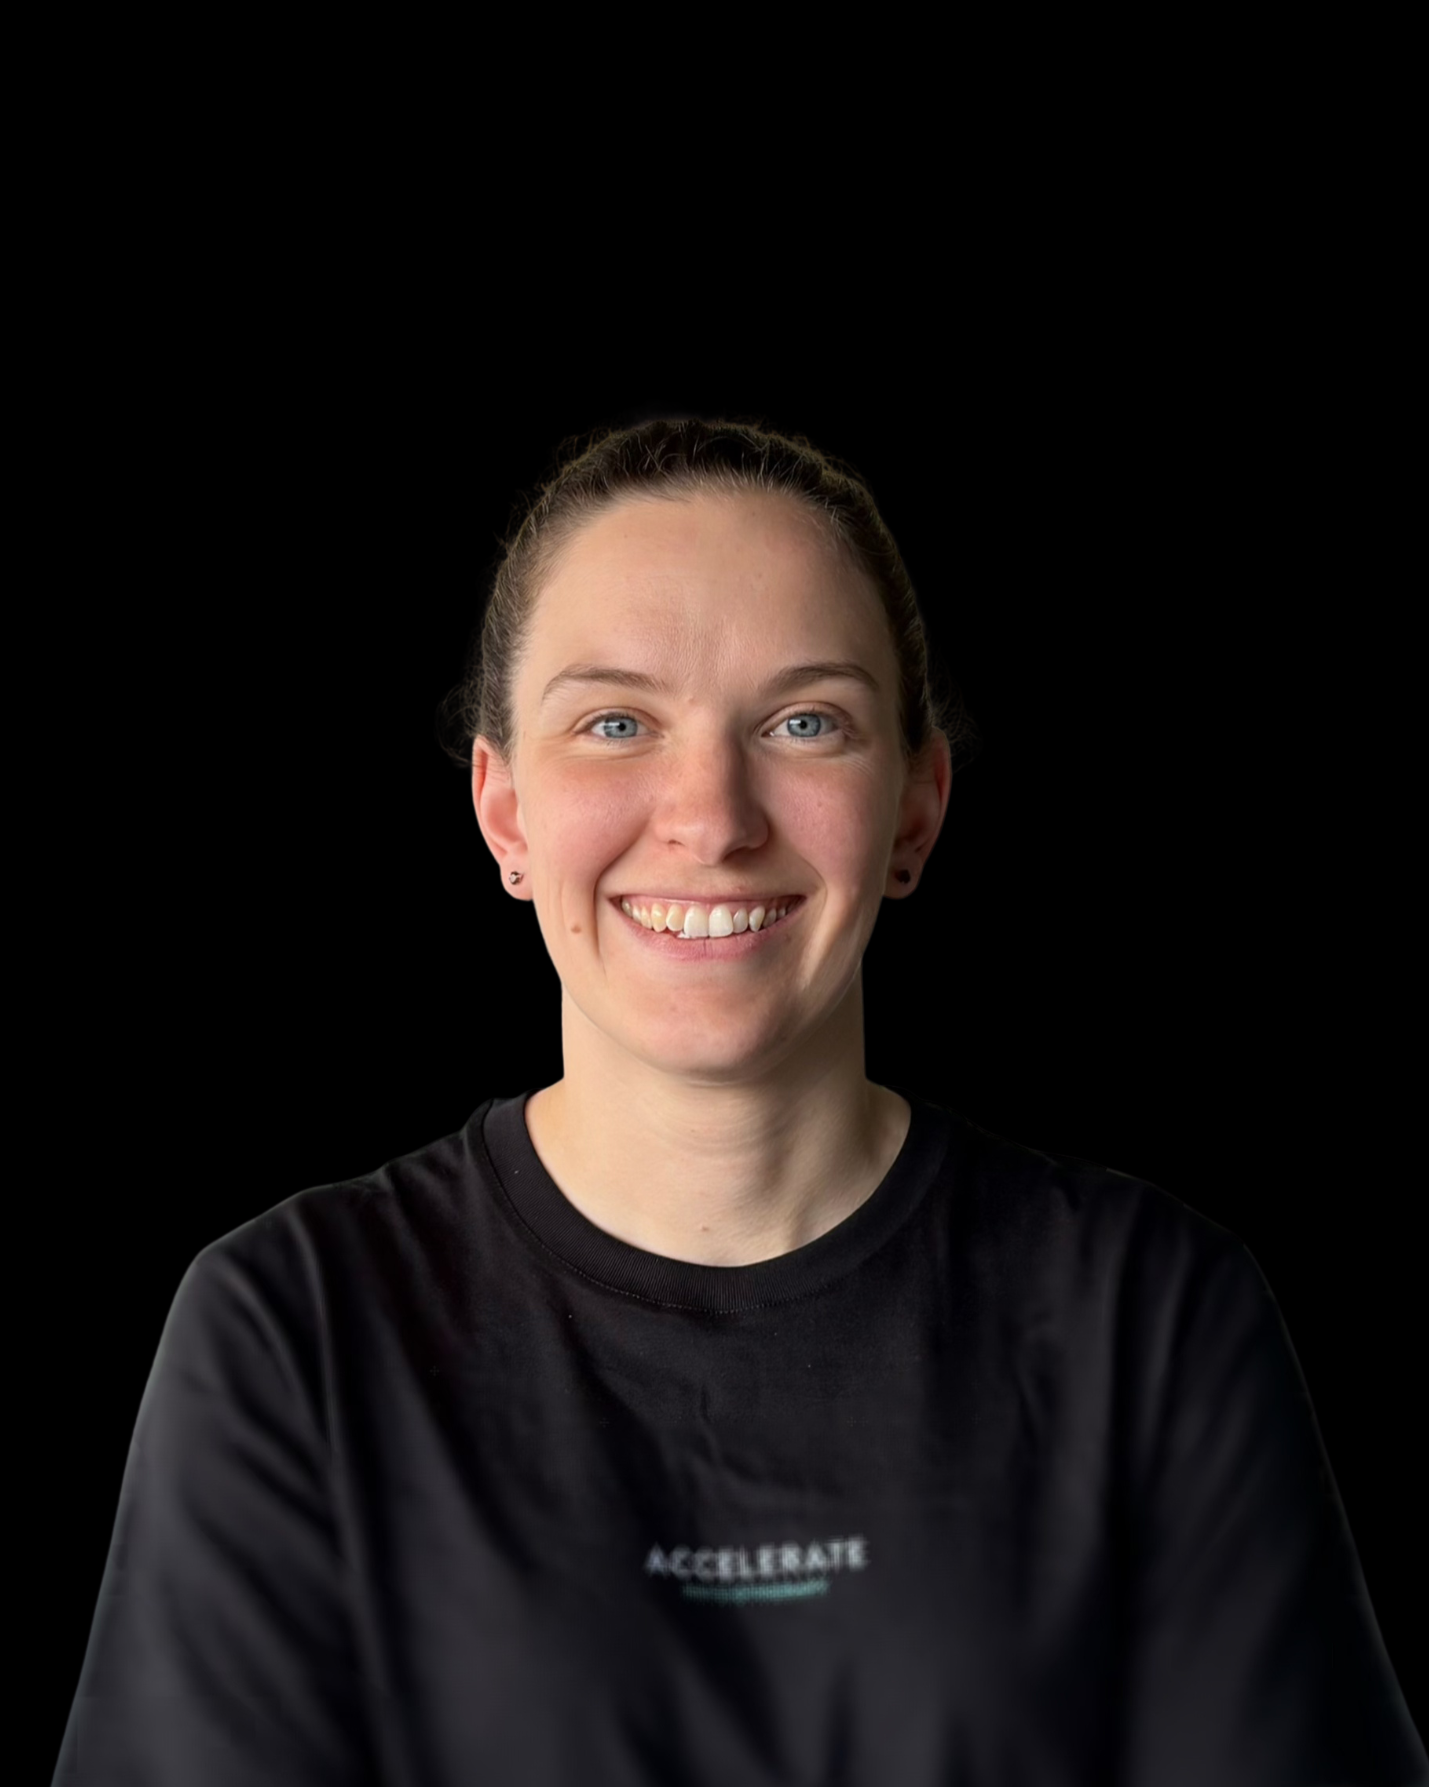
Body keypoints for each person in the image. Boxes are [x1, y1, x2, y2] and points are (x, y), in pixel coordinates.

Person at [54, 418, 1426, 1785]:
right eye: (615, 723)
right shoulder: (294, 1329)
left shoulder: (1153, 1318)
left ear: (916, 809)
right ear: (505, 812)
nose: (711, 818)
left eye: (804, 722)